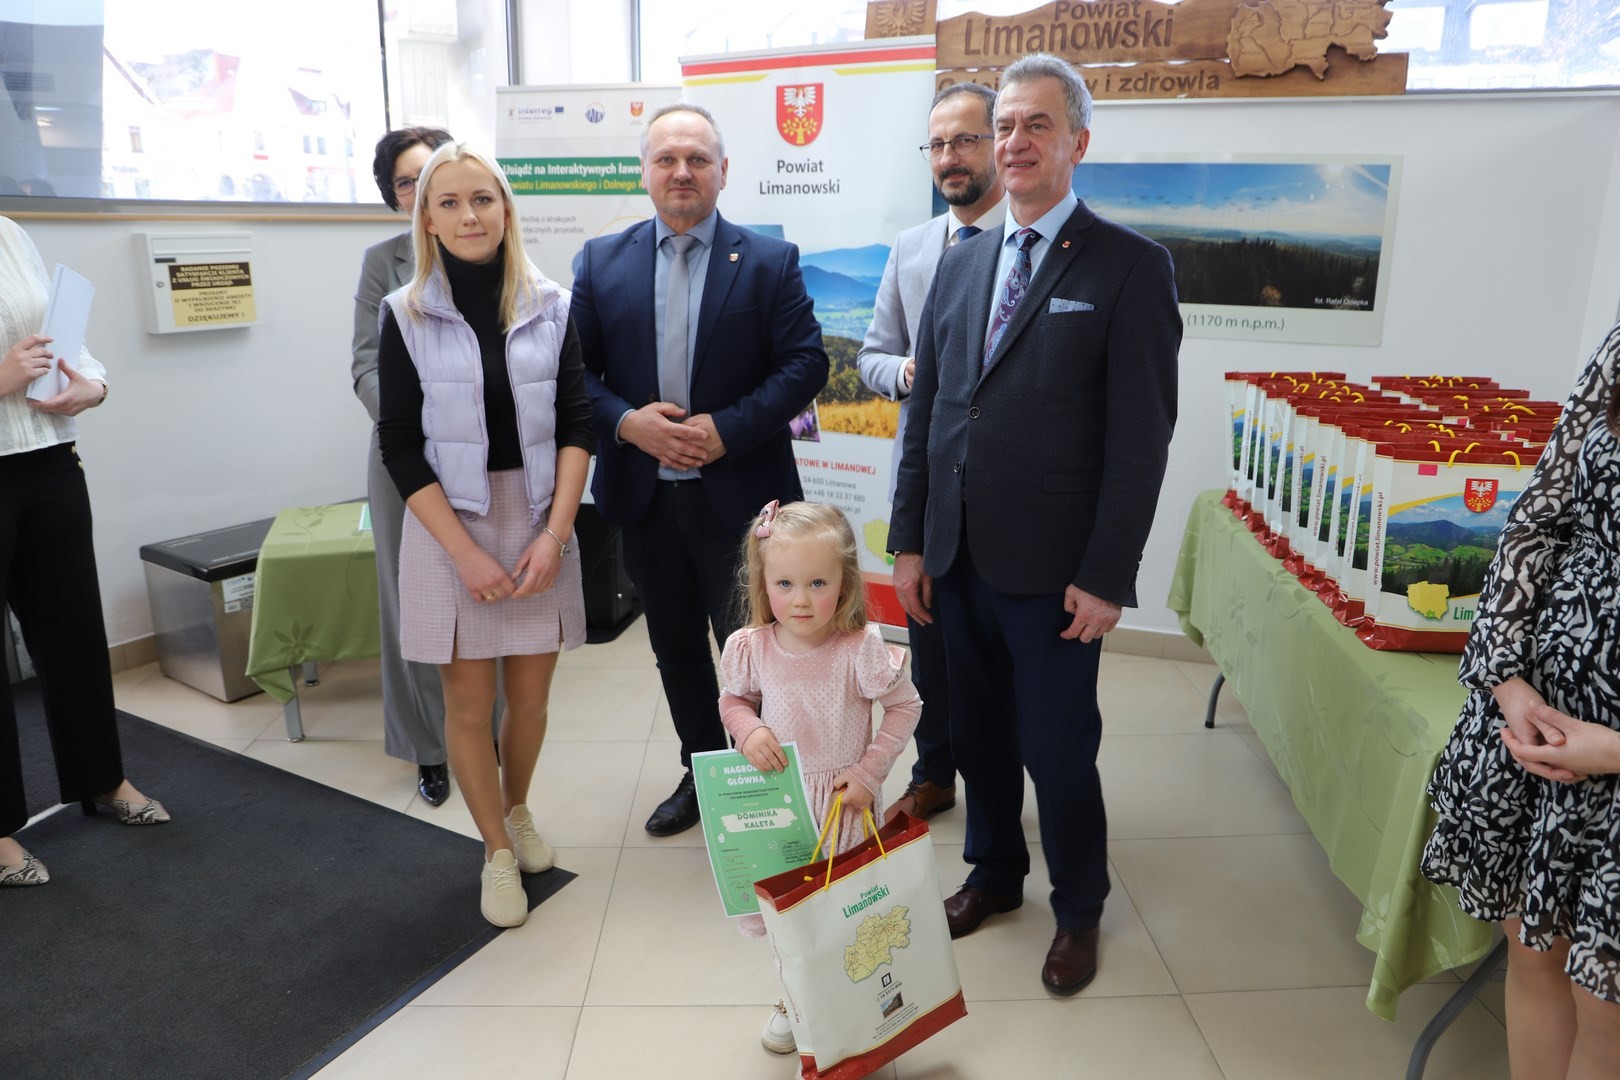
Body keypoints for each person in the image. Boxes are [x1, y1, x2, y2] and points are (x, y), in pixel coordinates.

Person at [889, 53, 1181, 995]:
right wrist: (908, 542)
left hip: (1057, 571)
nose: (1014, 142)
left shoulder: (1130, 267)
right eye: (1004, 126)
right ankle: (994, 874)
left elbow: (1141, 441)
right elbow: (932, 414)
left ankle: (1079, 907)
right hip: (955, 554)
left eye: (1036, 125)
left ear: (1077, 142)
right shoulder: (962, 259)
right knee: (974, 732)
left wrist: (1108, 574)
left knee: (1057, 749)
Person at [572, 102, 829, 838]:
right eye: (666, 159)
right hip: (645, 501)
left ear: (723, 171)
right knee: (678, 651)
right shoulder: (599, 261)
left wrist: (727, 431)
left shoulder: (769, 261)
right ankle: (703, 772)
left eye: (697, 159)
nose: (681, 171)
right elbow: (574, 374)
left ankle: (775, 782)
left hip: (746, 504)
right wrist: (630, 423)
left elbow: (805, 364)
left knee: (764, 656)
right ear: (644, 171)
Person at [377, 143, 592, 928]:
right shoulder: (405, 312)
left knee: (529, 702)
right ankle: (496, 850)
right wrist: (464, 553)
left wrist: (556, 534)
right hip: (449, 524)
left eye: (483, 199)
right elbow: (400, 445)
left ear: (506, 209)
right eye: (449, 202)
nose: (469, 216)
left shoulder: (552, 304)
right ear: (427, 221)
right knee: (468, 705)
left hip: (537, 516)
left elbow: (578, 421)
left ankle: (518, 808)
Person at [1421, 325, 1620, 1080]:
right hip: (1537, 720)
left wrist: (1613, 751)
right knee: (1536, 955)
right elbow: (1538, 517)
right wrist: (1507, 682)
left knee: (1608, 1014)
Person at [0, 215, 169, 888]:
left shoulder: (10, 233)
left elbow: (65, 342)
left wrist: (92, 386)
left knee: (73, 633)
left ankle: (101, 778)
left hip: (50, 461)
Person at [719, 499, 921, 1054]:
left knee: (846, 915)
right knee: (790, 918)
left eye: (817, 583)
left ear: (844, 583)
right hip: (781, 810)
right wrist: (747, 729)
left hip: (842, 809)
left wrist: (869, 772)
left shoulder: (860, 650)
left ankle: (854, 1007)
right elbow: (733, 699)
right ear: (763, 582)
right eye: (784, 584)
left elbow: (906, 706)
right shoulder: (752, 647)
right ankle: (796, 999)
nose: (801, 599)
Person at [858, 81, 1005, 823]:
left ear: (1000, 143)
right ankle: (935, 773)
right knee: (932, 642)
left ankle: (1000, 792)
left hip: (1008, 491)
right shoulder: (913, 248)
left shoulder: (1030, 245)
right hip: (927, 485)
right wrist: (911, 372)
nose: (950, 157)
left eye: (966, 140)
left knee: (1003, 655)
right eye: (938, 144)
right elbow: (872, 358)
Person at [351, 125, 457, 808]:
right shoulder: (381, 262)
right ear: (393, 197)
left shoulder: (489, 246)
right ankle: (429, 747)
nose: (418, 192)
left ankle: (486, 730)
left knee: (485, 597)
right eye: (404, 183)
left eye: (430, 176)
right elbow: (364, 364)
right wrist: (411, 429)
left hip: (487, 457)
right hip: (403, 455)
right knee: (410, 604)